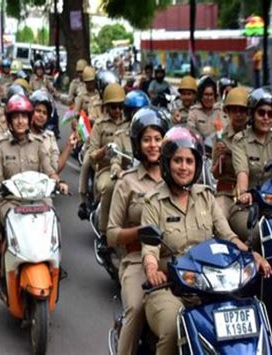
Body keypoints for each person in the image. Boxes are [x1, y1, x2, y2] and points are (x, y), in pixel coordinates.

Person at [141, 126, 272, 355]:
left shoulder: (206, 197)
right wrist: (152, 269)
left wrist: (253, 254)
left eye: (189, 161)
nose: (184, 167)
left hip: (212, 284)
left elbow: (228, 236)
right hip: (171, 287)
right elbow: (150, 249)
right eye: (178, 161)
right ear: (166, 163)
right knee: (174, 327)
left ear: (197, 165)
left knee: (248, 315)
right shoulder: (153, 202)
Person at [0, 94, 68, 287]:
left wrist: (58, 182)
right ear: (10, 121)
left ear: (29, 119)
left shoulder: (39, 146)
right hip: (9, 199)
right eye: (16, 117)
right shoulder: (1, 147)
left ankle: (56, 262)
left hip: (38, 199)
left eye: (24, 116)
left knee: (53, 216)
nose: (20, 121)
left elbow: (49, 170)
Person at [107, 108, 169, 355]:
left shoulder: (177, 174)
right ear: (137, 144)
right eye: (147, 139)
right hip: (136, 261)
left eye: (158, 138)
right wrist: (141, 232)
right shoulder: (127, 182)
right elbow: (111, 234)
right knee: (135, 307)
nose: (153, 145)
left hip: (174, 260)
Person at [88, 83, 128, 235]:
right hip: (106, 169)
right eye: (113, 107)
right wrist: (104, 150)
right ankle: (104, 232)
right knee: (108, 187)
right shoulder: (99, 125)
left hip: (128, 169)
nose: (117, 110)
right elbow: (91, 156)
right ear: (106, 107)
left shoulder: (129, 123)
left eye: (120, 106)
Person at [211, 87, 250, 238]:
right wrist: (220, 157)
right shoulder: (221, 136)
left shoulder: (253, 135)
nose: (239, 115)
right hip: (226, 192)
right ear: (228, 112)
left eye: (242, 110)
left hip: (249, 193)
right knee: (217, 221)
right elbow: (215, 174)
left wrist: (232, 153)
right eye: (234, 111)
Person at [76, 66, 104, 219]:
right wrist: (80, 129)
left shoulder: (119, 105)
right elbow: (86, 118)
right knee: (87, 161)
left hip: (115, 144)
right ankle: (83, 200)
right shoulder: (94, 104)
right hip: (94, 139)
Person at [29, 90, 78, 174]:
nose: (41, 115)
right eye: (38, 111)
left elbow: (55, 169)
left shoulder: (50, 137)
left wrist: (69, 146)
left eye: (44, 113)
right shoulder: (20, 134)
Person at [110, 90, 151, 179]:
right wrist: (119, 172)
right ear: (129, 114)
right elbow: (115, 161)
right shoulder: (120, 136)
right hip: (127, 179)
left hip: (150, 179)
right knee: (109, 187)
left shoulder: (154, 136)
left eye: (142, 113)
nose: (139, 117)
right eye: (135, 113)